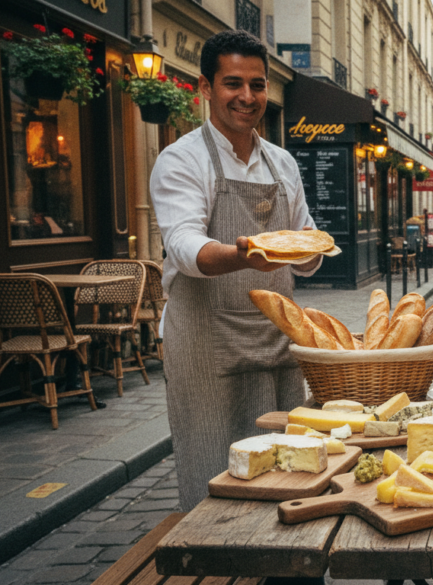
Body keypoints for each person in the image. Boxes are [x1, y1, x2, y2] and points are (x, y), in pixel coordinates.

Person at [150, 30, 321, 511]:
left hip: (277, 339)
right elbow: (184, 247)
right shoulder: (181, 159)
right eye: (232, 84)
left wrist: (308, 252)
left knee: (291, 473)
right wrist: (245, 255)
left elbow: (306, 245)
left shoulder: (283, 163)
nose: (247, 97)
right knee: (216, 479)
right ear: (205, 88)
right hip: (208, 347)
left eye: (258, 85)